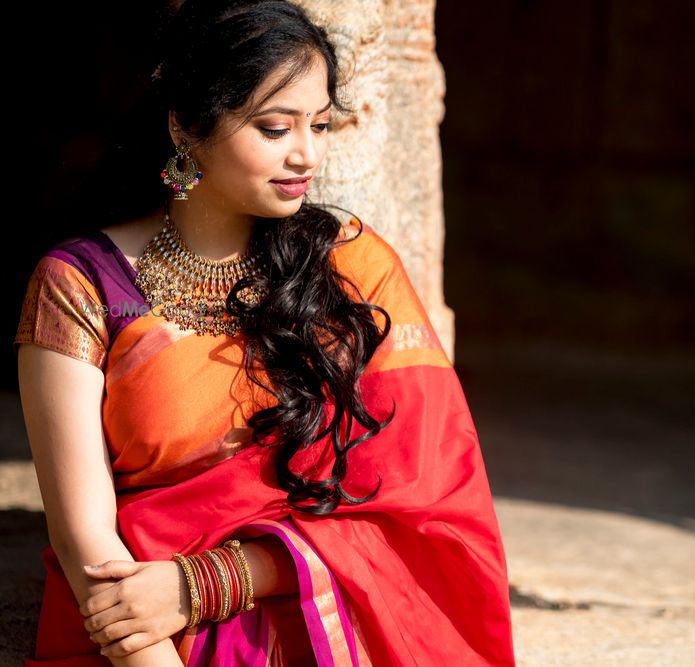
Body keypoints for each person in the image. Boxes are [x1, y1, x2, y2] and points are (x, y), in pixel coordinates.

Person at [12, 1, 516, 665]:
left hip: (315, 619)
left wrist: (208, 582)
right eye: (276, 128)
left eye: (321, 124)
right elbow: (86, 546)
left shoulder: (350, 269)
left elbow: (422, 503)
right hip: (138, 638)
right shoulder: (81, 285)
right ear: (187, 127)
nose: (306, 154)